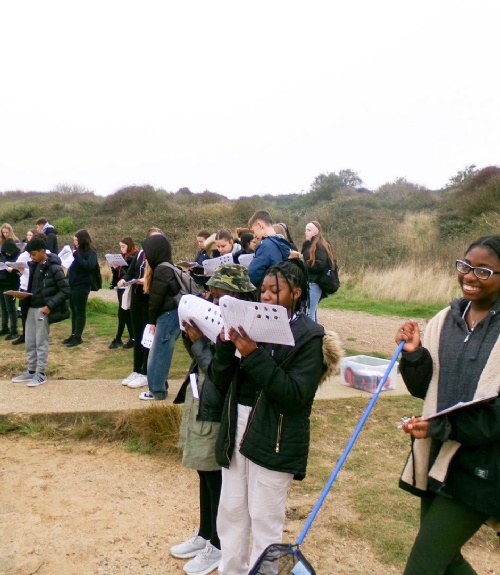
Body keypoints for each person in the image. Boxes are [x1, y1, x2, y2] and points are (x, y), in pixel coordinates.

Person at [210, 259, 342, 574]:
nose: (266, 296)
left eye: (275, 290)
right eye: (264, 290)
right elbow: (221, 380)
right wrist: (227, 347)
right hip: (237, 424)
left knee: (264, 517)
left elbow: (294, 395)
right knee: (231, 511)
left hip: (276, 434)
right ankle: (232, 570)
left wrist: (254, 355)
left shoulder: (310, 338)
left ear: (296, 293)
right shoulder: (253, 323)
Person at [395, 235, 500, 575]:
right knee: (446, 559)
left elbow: (494, 417)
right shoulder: (445, 319)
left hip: (485, 467)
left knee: (422, 567)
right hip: (440, 455)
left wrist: (440, 426)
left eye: (484, 271)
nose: (470, 277)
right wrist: (414, 356)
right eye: (466, 266)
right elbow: (426, 388)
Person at [170, 264, 258, 575]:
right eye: (210, 292)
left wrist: (197, 343)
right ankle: (205, 534)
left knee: (215, 476)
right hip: (202, 399)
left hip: (221, 406)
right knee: (203, 473)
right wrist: (189, 334)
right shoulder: (215, 316)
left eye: (218, 294)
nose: (211, 298)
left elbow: (223, 373)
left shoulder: (245, 327)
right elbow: (202, 361)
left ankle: (219, 546)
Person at [11, 238, 69, 387]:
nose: (32, 257)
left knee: (40, 342)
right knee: (30, 341)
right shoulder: (33, 265)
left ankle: (41, 373)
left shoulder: (54, 268)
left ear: (43, 251)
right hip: (30, 307)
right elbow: (32, 287)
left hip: (43, 310)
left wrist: (49, 306)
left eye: (34, 254)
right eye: (30, 254)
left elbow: (65, 290)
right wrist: (22, 296)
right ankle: (31, 371)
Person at [118, 227, 164, 389]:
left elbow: (161, 278)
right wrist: (124, 280)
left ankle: (145, 372)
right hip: (137, 297)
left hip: (150, 299)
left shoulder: (160, 257)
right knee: (137, 335)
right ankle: (136, 370)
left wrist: (147, 281)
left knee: (148, 337)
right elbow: (130, 272)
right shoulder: (140, 254)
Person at [140, 233, 181, 400]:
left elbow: (155, 299)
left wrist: (152, 320)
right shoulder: (168, 266)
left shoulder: (162, 270)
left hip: (167, 315)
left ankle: (157, 391)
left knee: (159, 353)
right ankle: (160, 385)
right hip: (173, 314)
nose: (146, 255)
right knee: (163, 351)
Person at [64, 229, 98, 347]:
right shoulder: (77, 251)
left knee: (80, 311)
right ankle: (73, 334)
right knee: (73, 310)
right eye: (74, 240)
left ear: (82, 240)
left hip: (82, 285)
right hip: (72, 284)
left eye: (76, 240)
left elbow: (89, 267)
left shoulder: (91, 252)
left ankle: (78, 337)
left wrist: (77, 255)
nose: (75, 242)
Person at [301, 220, 336, 322]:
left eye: (309, 230)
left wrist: (302, 263)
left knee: (309, 314)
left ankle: (312, 336)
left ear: (316, 232)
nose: (306, 232)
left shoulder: (319, 246)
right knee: (310, 312)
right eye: (305, 230)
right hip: (309, 283)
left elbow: (320, 265)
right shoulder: (308, 245)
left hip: (314, 284)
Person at [247, 210, 292, 287]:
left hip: (268, 292)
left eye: (253, 231)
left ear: (259, 225)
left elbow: (253, 274)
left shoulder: (265, 246)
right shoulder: (282, 243)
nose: (254, 236)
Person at [108, 237, 138, 349]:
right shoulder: (123, 256)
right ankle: (129, 338)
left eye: (123, 246)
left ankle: (120, 338)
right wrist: (114, 267)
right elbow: (118, 274)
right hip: (120, 287)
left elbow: (129, 274)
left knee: (124, 312)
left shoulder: (134, 257)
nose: (121, 249)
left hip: (128, 287)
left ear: (129, 245)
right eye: (120, 246)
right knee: (123, 312)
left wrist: (117, 268)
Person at [0, 238, 21, 339]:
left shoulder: (17, 257)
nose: (7, 254)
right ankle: (4, 327)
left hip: (11, 284)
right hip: (1, 283)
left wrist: (11, 269)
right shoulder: (2, 255)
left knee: (11, 308)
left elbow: (19, 271)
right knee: (3, 307)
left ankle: (14, 330)